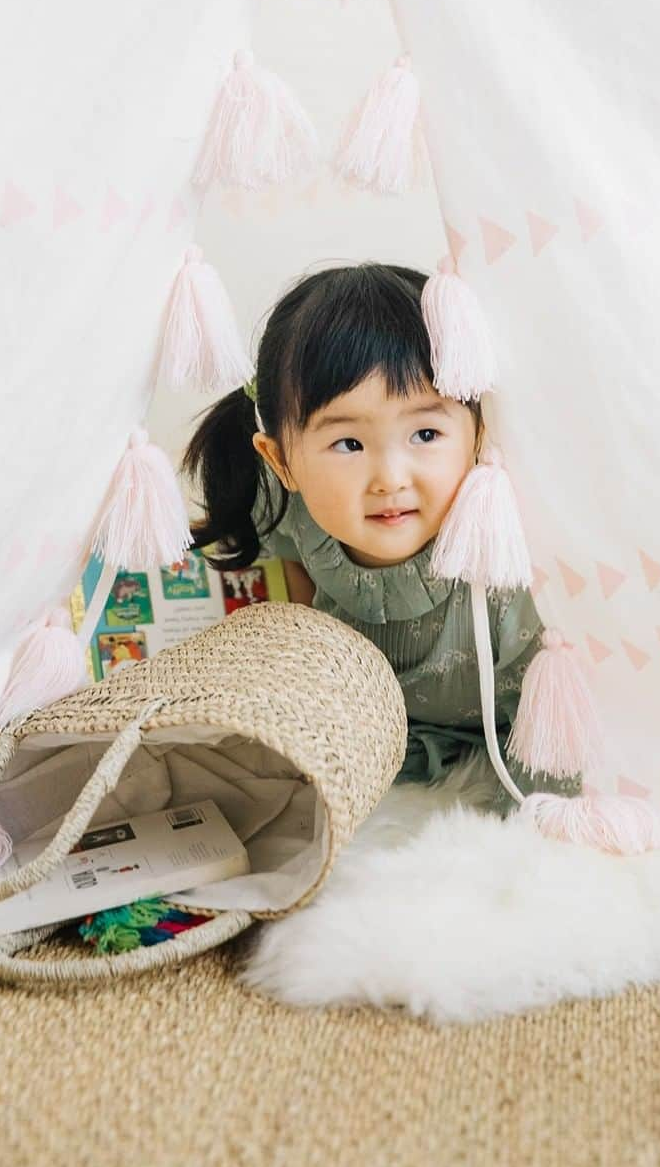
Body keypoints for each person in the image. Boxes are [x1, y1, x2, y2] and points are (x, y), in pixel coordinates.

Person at [181, 260, 580, 802]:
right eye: (349, 444)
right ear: (282, 463)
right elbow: (293, 567)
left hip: (514, 742)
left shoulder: (505, 541)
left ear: (479, 434)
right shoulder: (291, 510)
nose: (391, 479)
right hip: (384, 746)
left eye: (425, 433)